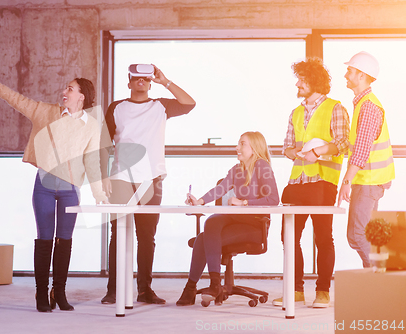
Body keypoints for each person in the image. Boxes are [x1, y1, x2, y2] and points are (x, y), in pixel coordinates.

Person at [0, 74, 108, 312]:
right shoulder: (46, 112)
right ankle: (41, 293)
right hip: (44, 189)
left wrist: (99, 193)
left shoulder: (91, 126)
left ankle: (59, 291)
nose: (64, 91)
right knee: (44, 240)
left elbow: (92, 162)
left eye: (70, 88)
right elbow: (18, 100)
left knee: (64, 241)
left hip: (70, 191)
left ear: (82, 96)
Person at [100, 64, 196, 305]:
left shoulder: (160, 106)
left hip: (151, 179)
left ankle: (145, 290)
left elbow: (189, 103)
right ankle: (114, 290)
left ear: (150, 82)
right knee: (118, 235)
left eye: (145, 78)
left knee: (146, 237)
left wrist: (166, 81)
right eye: (136, 78)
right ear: (129, 82)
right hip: (121, 178)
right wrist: (102, 177)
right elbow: (102, 144)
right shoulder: (116, 108)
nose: (141, 82)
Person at [273, 57, 350, 309]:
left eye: (302, 80)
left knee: (323, 238)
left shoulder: (335, 108)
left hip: (322, 181)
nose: (297, 83)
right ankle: (295, 290)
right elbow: (286, 146)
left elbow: (342, 144)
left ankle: (323, 291)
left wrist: (317, 151)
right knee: (289, 236)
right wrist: (293, 152)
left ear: (314, 81)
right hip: (297, 181)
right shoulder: (295, 112)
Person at [176, 131, 279, 307]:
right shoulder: (237, 169)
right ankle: (212, 285)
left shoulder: (262, 166)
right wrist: (198, 202)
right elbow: (220, 189)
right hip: (236, 220)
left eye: (242, 144)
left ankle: (193, 288)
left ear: (254, 148)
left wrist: (244, 202)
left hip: (254, 224)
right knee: (211, 222)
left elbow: (274, 200)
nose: (236, 147)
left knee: (203, 238)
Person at [338, 51, 395, 267]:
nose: (346, 74)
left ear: (361, 75)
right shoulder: (363, 103)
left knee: (356, 235)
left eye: (350, 70)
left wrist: (346, 182)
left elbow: (361, 151)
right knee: (367, 235)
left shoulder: (369, 106)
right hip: (369, 180)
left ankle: (381, 278)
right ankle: (376, 282)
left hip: (369, 181)